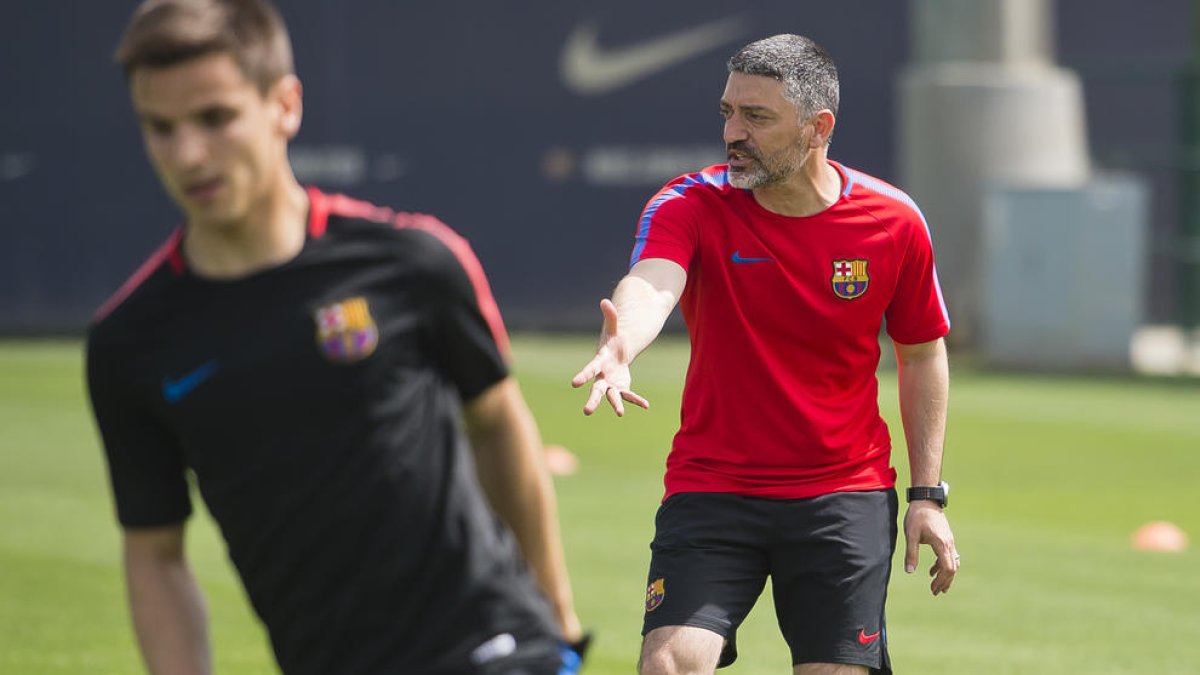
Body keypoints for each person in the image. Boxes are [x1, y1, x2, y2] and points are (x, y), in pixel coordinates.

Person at [85, 1, 587, 673]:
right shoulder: (129, 342)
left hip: (490, 643)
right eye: (161, 128)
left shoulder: (412, 261)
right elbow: (155, 551)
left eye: (216, 118)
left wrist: (556, 618)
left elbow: (498, 423)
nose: (189, 154)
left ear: (284, 106)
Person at [572, 34, 958, 675]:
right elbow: (654, 280)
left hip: (844, 490)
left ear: (817, 127)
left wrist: (926, 495)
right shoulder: (689, 202)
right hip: (713, 482)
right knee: (670, 663)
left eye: (756, 117)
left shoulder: (893, 221)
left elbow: (920, 355)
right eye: (727, 112)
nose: (733, 132)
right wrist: (623, 340)